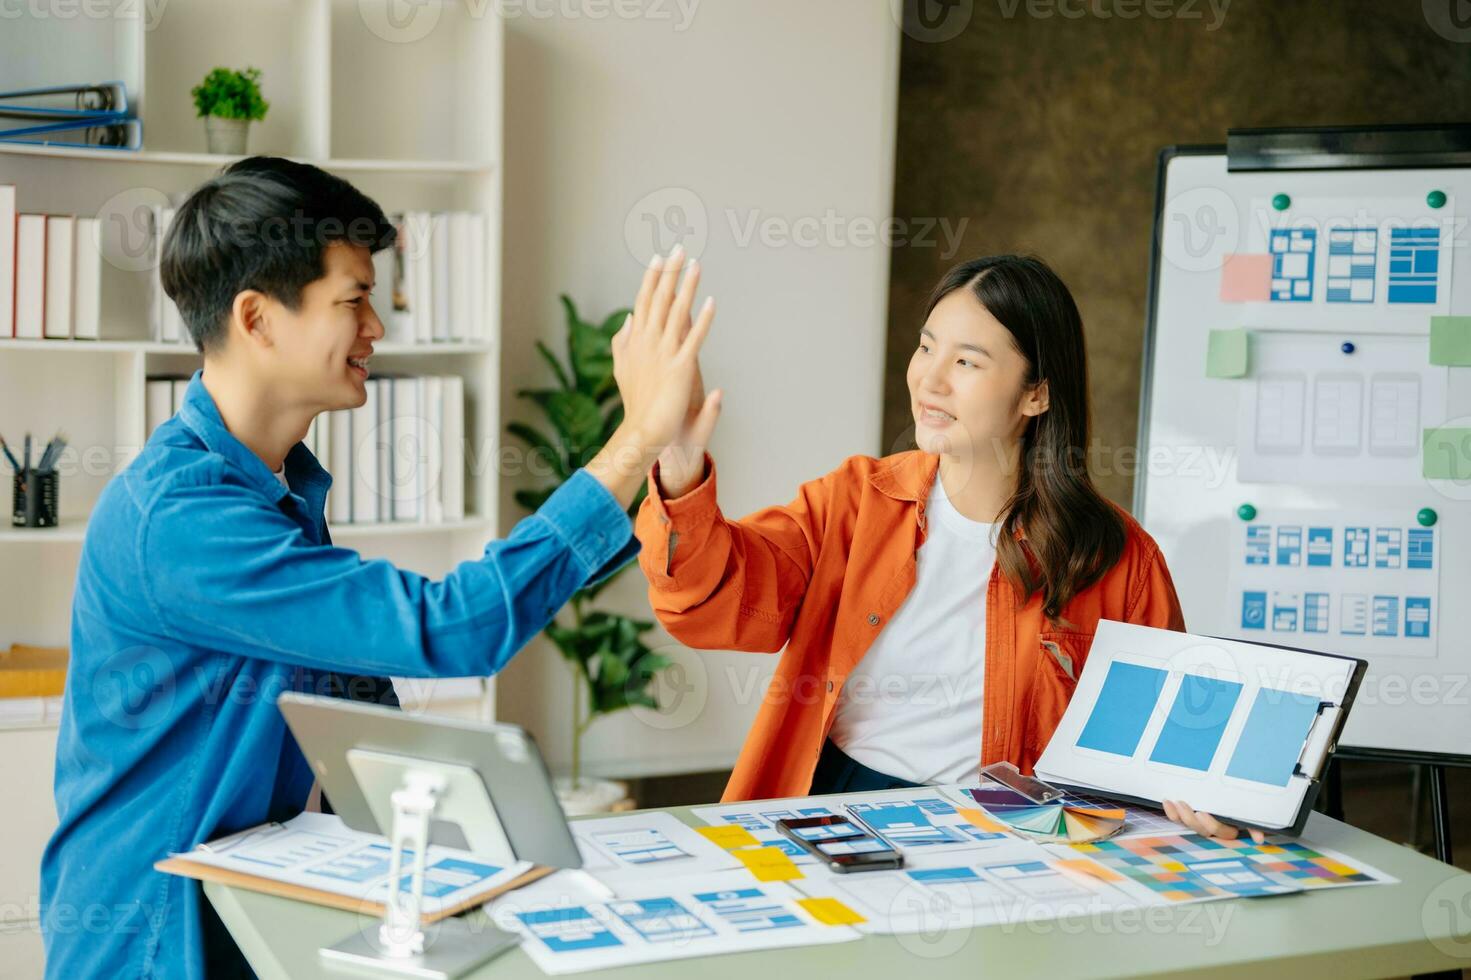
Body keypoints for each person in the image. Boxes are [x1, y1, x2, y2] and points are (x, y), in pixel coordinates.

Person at [39, 158, 715, 978]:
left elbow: (352, 705)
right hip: (156, 941)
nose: (376, 329)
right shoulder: (183, 519)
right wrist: (634, 439)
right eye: (353, 301)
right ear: (257, 318)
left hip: (245, 895)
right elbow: (448, 628)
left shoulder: (276, 487)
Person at [634, 253, 1262, 843]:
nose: (930, 379)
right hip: (840, 805)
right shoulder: (853, 501)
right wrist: (679, 463)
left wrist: (1212, 804)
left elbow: (1161, 748)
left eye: (966, 362)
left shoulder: (1118, 556)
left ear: (1036, 393)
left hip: (1014, 833)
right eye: (927, 347)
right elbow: (712, 606)